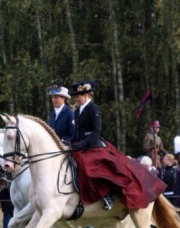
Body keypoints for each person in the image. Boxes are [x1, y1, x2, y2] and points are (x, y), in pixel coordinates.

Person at [70, 80, 166, 211]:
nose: (76, 98)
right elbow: (77, 130)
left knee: (90, 168)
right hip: (80, 145)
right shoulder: (77, 111)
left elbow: (96, 131)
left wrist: (82, 143)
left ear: (86, 96)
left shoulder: (94, 108)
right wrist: (70, 142)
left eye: (78, 96)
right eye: (75, 96)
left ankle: (107, 196)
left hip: (93, 145)